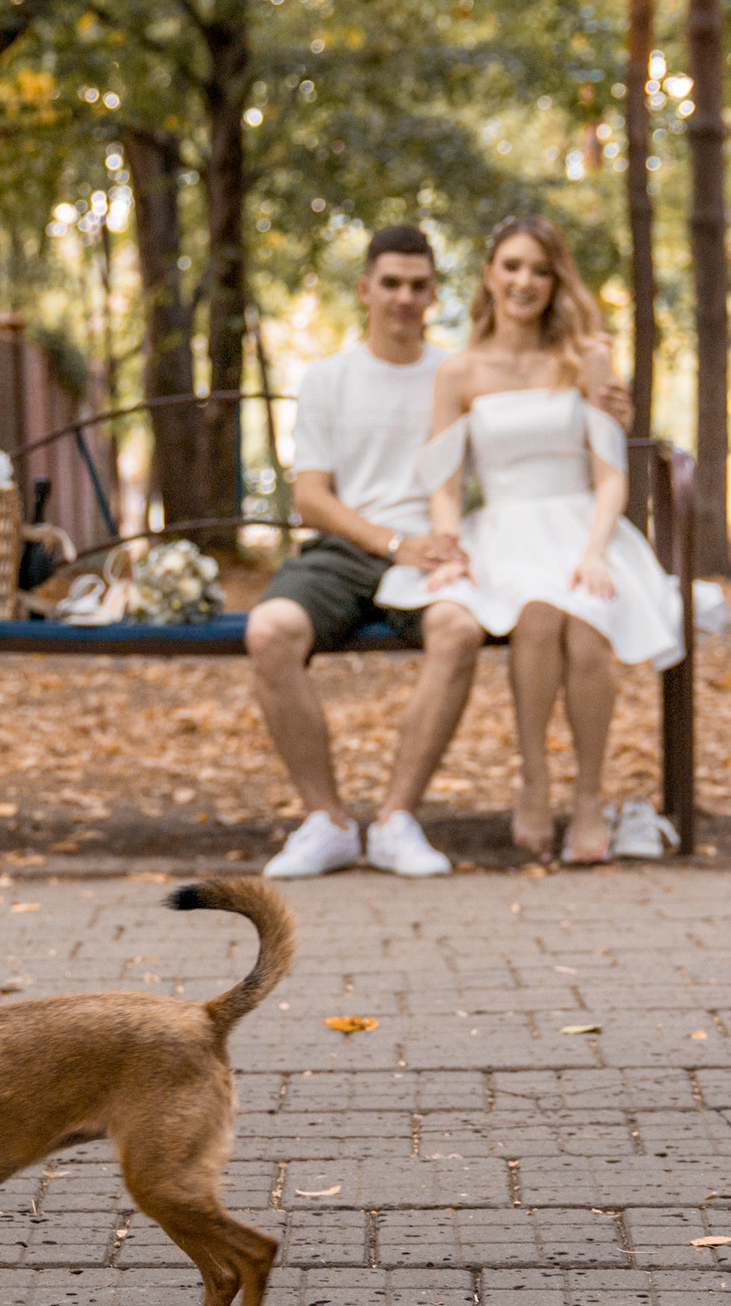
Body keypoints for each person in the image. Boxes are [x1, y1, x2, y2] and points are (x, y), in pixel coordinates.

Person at [249, 223, 629, 879]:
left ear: (435, 294)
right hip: (347, 550)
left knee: (456, 629)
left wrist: (610, 410)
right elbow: (311, 499)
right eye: (390, 284)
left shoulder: (462, 367)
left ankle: (397, 819)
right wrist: (395, 544)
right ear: (365, 289)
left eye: (418, 285)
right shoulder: (328, 378)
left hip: (444, 551)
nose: (403, 297)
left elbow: (541, 437)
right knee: (268, 629)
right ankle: (326, 822)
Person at [377, 216, 684, 864]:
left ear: (556, 281)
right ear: (490, 275)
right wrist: (451, 542)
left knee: (586, 621)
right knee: (538, 615)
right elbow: (445, 480)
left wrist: (597, 550)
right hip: (507, 533)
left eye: (540, 270)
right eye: (512, 266)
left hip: (583, 524)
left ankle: (589, 797)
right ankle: (535, 784)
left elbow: (609, 473)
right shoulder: (458, 373)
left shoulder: (587, 358)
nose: (525, 282)